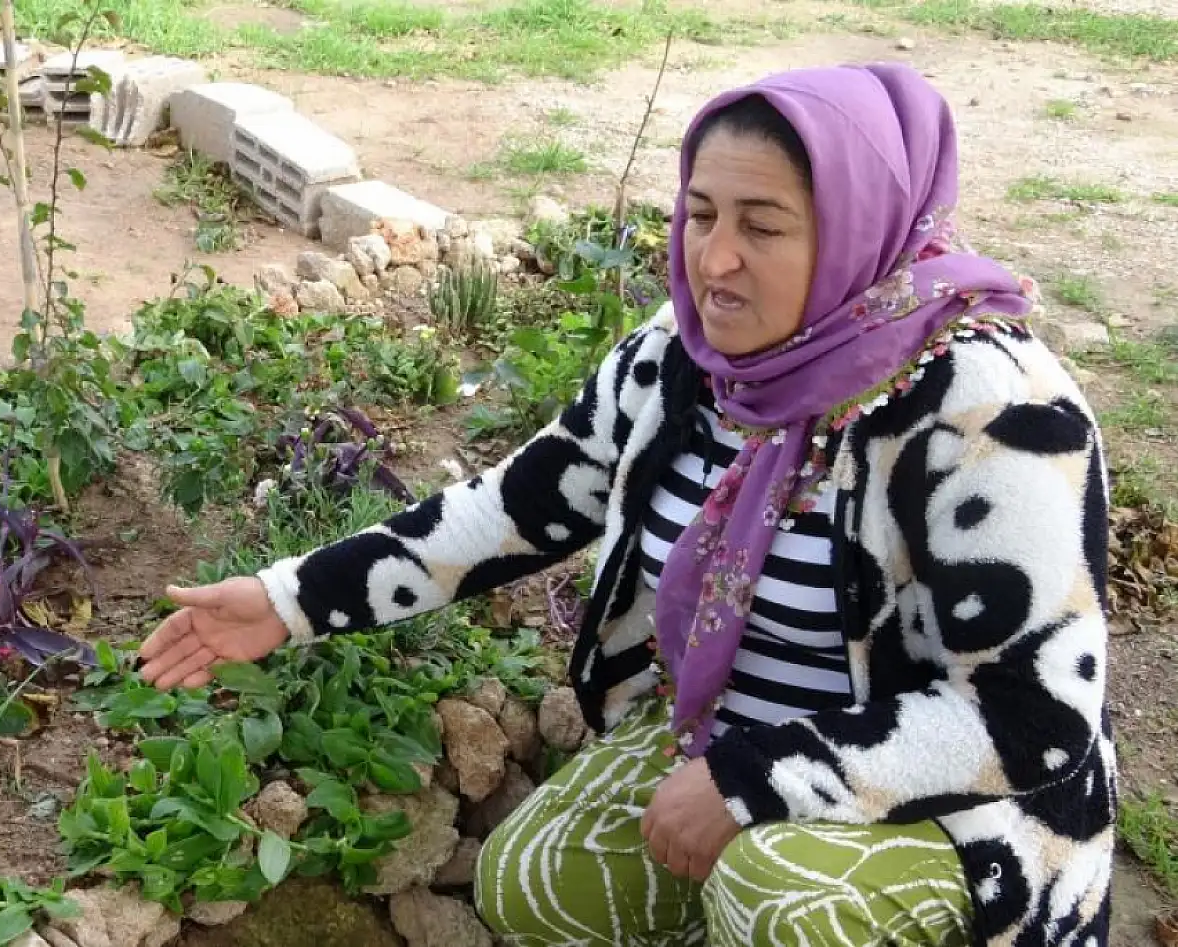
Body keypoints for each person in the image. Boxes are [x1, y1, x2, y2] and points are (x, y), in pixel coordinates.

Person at [137, 63, 1115, 947]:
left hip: (948, 806)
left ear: (862, 224)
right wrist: (288, 600)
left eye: (761, 225)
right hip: (726, 733)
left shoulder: (991, 414)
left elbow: (1033, 718)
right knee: (530, 878)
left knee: (780, 897)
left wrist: (752, 782)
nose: (713, 260)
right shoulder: (684, 356)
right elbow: (518, 507)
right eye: (698, 213)